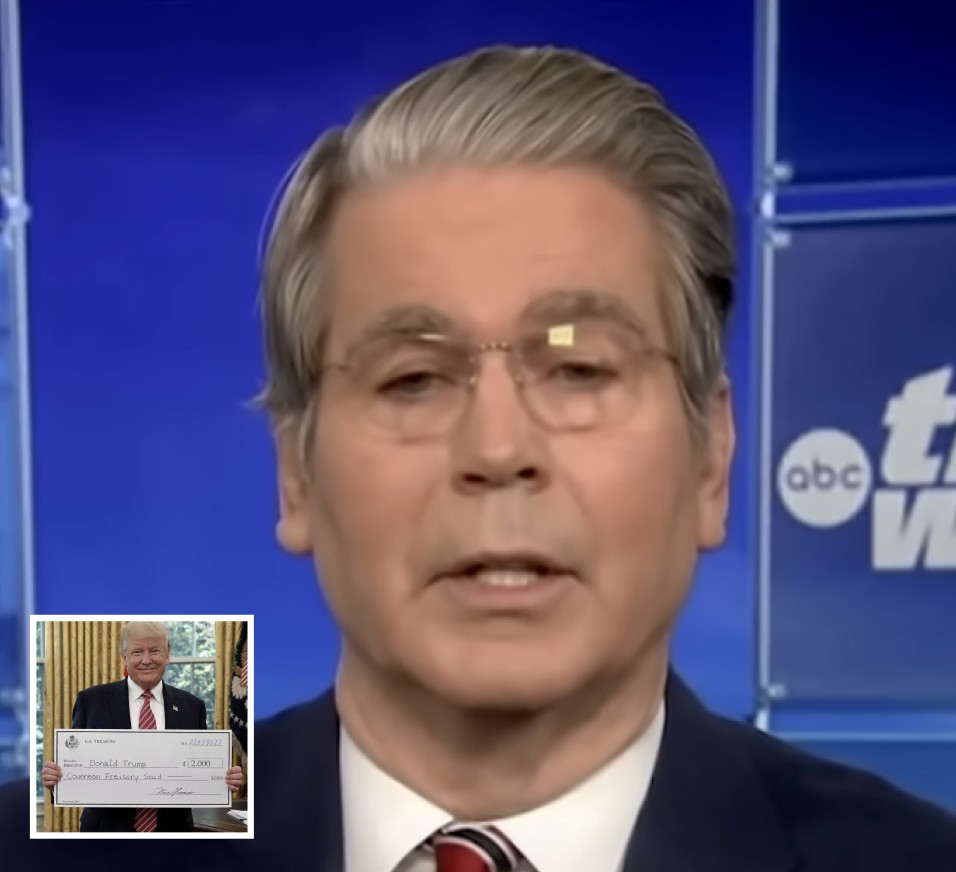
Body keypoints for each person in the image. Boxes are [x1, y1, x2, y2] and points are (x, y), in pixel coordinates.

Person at [240, 45, 956, 871]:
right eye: (414, 379)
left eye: (579, 370)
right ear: (295, 472)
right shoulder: (134, 809)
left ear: (711, 460)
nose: (498, 449)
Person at [38, 621, 243, 832]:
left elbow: (200, 769)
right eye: (137, 652)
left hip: (173, 833)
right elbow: (74, 763)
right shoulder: (91, 701)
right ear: (124, 658)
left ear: (167, 655)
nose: (146, 660)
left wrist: (223, 779)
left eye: (154, 651)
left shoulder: (192, 706)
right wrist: (57, 778)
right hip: (105, 833)